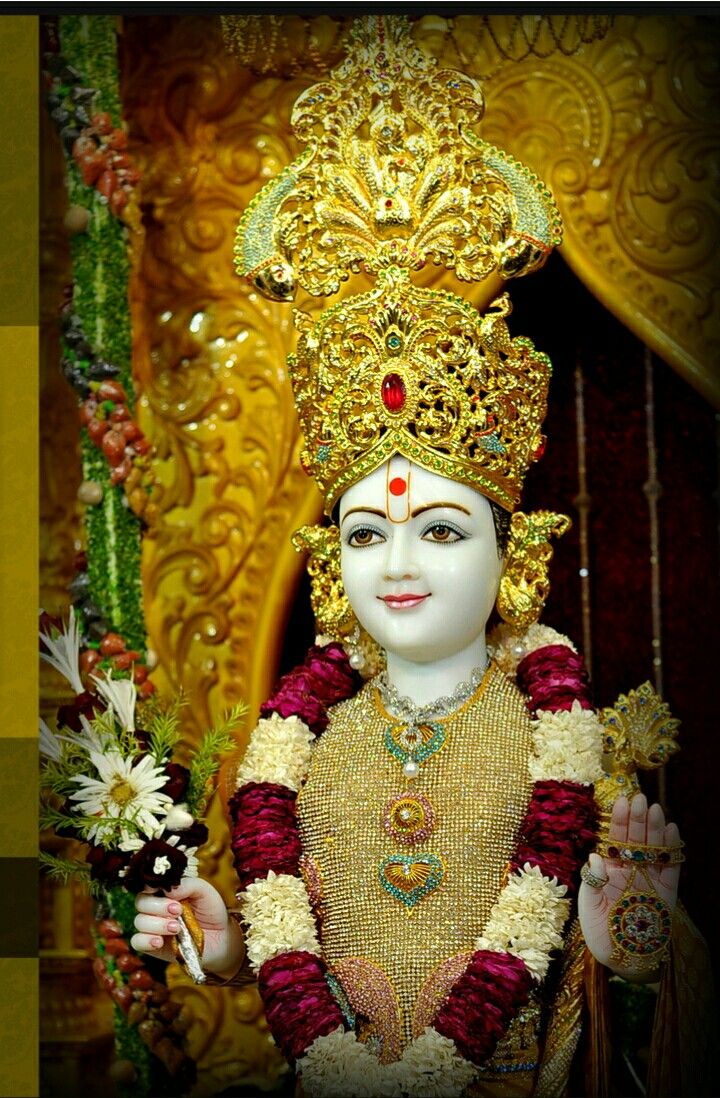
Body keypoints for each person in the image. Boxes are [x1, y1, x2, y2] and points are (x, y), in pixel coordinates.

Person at [133, 16, 700, 1096]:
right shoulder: (301, 743)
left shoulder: (565, 740)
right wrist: (219, 946)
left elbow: (618, 990)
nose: (400, 561)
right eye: (365, 532)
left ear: (513, 553)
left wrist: (630, 952)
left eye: (442, 530)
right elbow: (285, 955)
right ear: (329, 557)